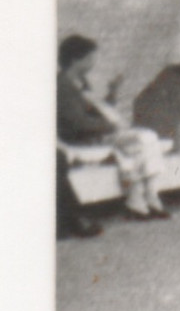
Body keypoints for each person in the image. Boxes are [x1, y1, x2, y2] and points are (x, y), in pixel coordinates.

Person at [57, 34, 170, 221]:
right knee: (144, 139)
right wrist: (111, 126)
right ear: (76, 59)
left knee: (142, 142)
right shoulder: (62, 87)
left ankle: (140, 199)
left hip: (98, 132)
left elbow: (99, 111)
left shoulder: (81, 82)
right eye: (91, 58)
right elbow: (78, 123)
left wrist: (113, 92)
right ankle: (147, 196)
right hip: (83, 137)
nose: (94, 63)